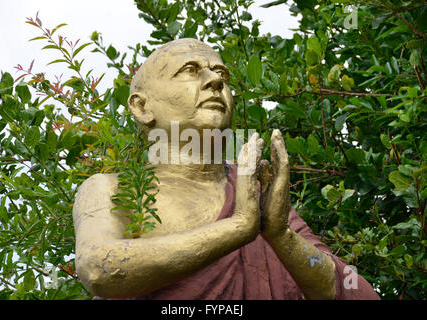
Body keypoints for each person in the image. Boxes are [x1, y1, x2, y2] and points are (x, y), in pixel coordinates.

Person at [72, 38, 380, 300]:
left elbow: (350, 289)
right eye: (190, 71)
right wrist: (238, 227)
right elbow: (99, 268)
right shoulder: (111, 189)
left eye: (221, 74)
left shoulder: (254, 193)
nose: (216, 81)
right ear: (142, 107)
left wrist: (281, 235)